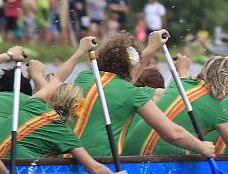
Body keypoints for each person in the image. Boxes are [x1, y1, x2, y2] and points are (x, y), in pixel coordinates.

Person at [123, 42, 228, 174]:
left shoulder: (182, 83)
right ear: (226, 81)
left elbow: (216, 67)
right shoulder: (216, 110)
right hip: (157, 166)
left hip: (127, 159)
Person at [71, 30, 216, 158]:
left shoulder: (84, 77)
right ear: (132, 65)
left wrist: (152, 47)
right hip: (103, 164)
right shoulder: (133, 94)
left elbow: (130, 75)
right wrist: (202, 147)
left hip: (65, 157)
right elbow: (172, 134)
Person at [0, 61, 129, 174]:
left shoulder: (34, 102)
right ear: (76, 108)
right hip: (13, 173)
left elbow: (57, 79)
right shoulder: (63, 133)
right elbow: (95, 169)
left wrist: (81, 51)